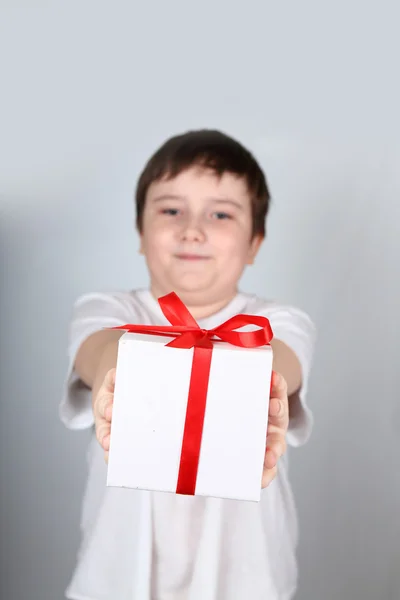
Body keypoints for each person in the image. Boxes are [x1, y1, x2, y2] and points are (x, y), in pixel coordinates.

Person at [60, 129, 316, 600]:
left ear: (255, 242)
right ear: (140, 232)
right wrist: (121, 377)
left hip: (246, 579)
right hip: (118, 577)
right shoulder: (106, 310)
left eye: (220, 214)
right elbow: (103, 353)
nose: (192, 229)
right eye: (171, 210)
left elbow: (278, 365)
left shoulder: (277, 321)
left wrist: (264, 386)